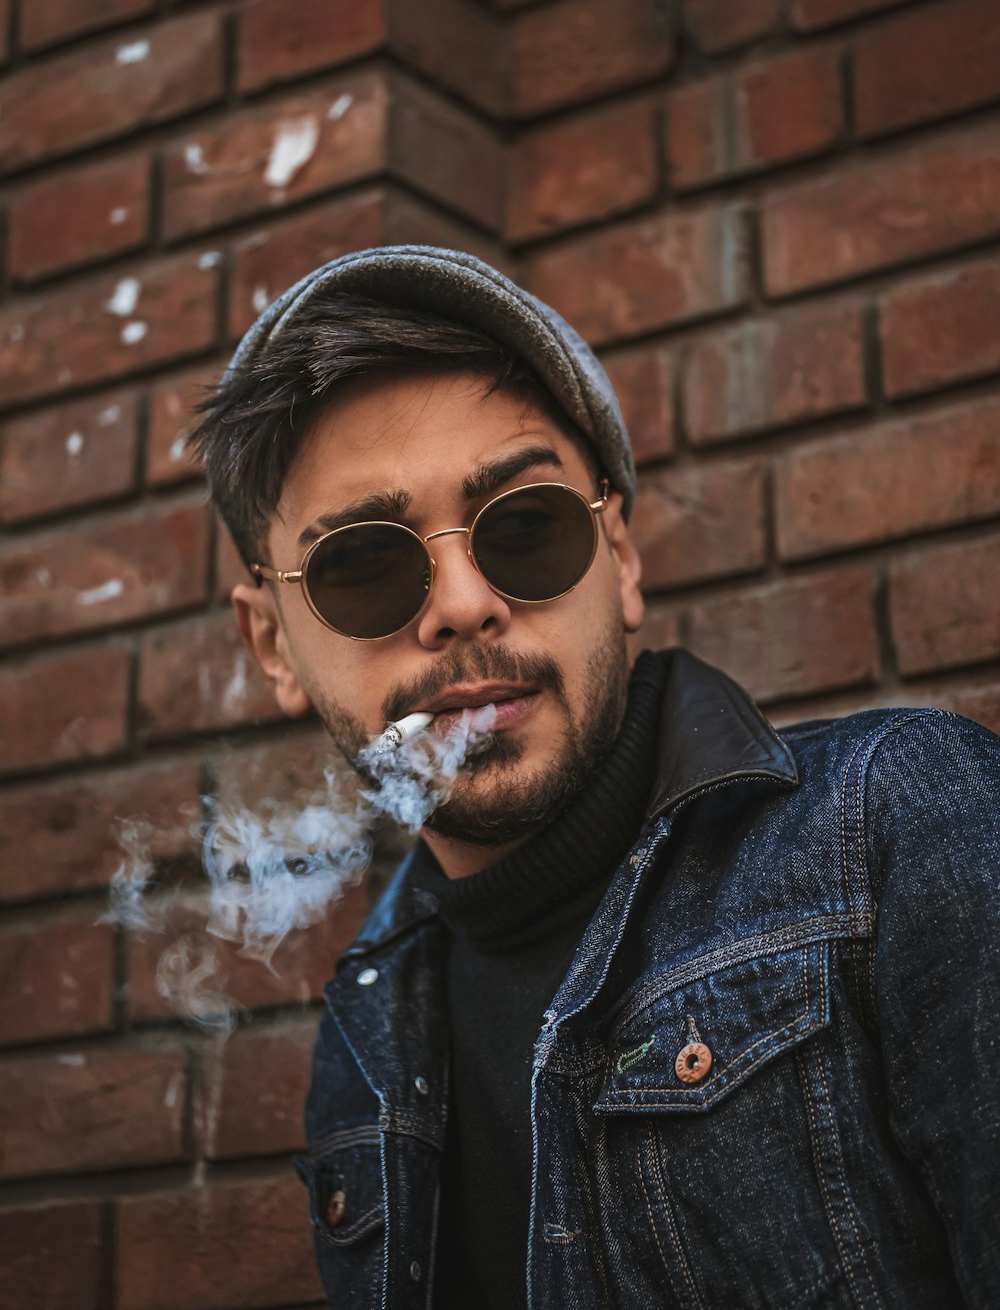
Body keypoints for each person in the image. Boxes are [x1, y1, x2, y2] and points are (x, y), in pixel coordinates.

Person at [194, 246, 1000, 1309]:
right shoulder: (365, 1038)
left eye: (524, 527)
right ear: (271, 646)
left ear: (619, 556)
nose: (464, 603)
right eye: (365, 562)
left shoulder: (907, 826)